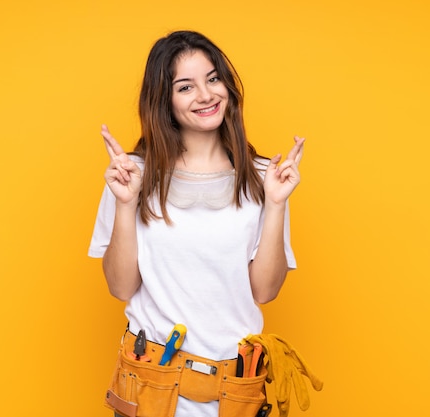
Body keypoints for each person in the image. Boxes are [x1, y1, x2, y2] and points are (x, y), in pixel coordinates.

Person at [89, 30, 306, 417]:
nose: (206, 95)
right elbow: (120, 286)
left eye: (213, 78)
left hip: (234, 389)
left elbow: (265, 290)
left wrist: (275, 204)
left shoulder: (263, 177)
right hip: (151, 385)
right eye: (185, 86)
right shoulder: (131, 174)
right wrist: (126, 204)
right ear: (164, 101)